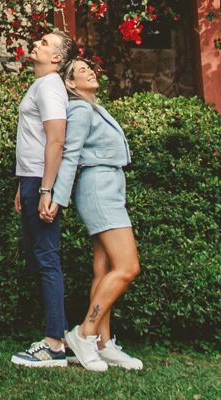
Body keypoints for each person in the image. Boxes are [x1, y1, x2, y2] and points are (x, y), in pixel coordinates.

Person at [51, 56, 144, 372]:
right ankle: (84, 333)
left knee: (104, 269)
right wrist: (57, 198)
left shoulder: (93, 108)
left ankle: (103, 344)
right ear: (70, 83)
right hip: (99, 189)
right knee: (128, 267)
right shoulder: (79, 109)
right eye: (81, 70)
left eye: (90, 68)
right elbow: (70, 155)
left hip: (109, 186)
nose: (90, 71)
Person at [9, 29, 74, 368]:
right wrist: (24, 184)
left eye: (45, 43)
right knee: (39, 259)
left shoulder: (49, 86)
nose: (36, 43)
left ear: (57, 59)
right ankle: (60, 335)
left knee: (47, 259)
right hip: (33, 180)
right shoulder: (41, 85)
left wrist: (46, 190)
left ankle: (54, 344)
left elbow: (56, 139)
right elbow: (35, 140)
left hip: (41, 182)